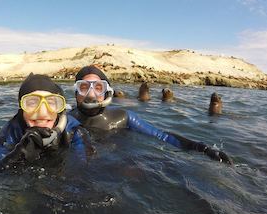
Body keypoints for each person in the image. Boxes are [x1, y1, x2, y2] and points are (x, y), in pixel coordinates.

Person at [69, 66, 233, 164]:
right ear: (76, 92)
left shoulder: (123, 117)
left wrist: (201, 148)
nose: (91, 94)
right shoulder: (66, 119)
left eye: (98, 87)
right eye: (84, 87)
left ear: (107, 93)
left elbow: (162, 137)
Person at [0, 73, 92, 168]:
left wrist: (57, 155)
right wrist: (16, 157)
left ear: (60, 108)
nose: (42, 113)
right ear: (21, 108)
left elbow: (85, 169)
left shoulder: (74, 132)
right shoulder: (12, 131)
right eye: (32, 103)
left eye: (51, 103)